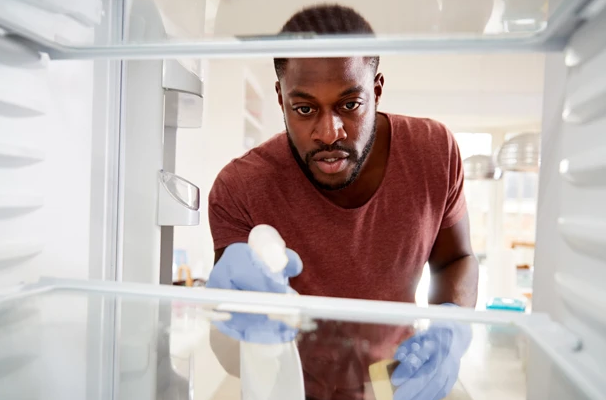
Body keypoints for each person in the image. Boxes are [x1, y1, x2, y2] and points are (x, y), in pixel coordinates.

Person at [205, 4, 479, 400]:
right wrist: (227, 315)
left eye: (350, 104)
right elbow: (233, 329)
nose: (329, 133)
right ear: (280, 98)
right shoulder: (240, 186)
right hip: (288, 386)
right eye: (304, 109)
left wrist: (453, 325)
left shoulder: (434, 152)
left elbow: (457, 259)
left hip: (398, 380)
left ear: (377, 89)